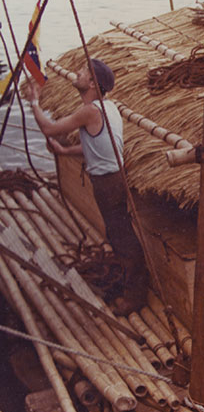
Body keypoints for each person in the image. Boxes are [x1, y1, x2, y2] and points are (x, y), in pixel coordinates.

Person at [24, 59, 149, 316]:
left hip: (107, 184)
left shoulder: (90, 111)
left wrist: (33, 102)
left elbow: (48, 127)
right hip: (111, 179)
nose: (77, 73)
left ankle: (135, 297)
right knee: (118, 233)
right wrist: (65, 150)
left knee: (122, 238)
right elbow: (97, 147)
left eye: (82, 72)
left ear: (92, 83)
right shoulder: (107, 108)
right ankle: (131, 286)